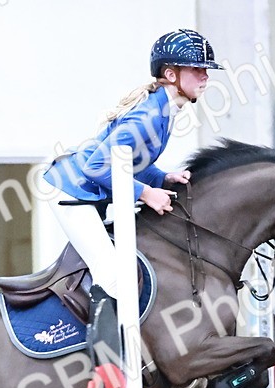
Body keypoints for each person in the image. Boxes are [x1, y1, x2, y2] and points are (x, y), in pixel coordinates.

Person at [41, 28, 222, 297]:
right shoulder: (149, 115)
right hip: (69, 191)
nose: (205, 76)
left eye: (205, 70)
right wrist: (146, 193)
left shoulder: (164, 110)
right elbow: (96, 166)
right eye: (197, 69)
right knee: (113, 277)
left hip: (85, 189)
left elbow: (127, 161)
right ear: (171, 74)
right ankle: (98, 341)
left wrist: (161, 178)